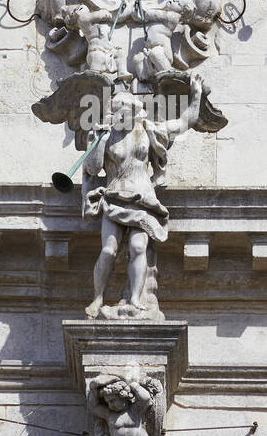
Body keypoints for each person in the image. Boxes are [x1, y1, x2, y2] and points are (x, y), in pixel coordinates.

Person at [83, 77, 202, 318]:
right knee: (108, 250)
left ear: (135, 113)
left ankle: (135, 300)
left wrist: (196, 95)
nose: (120, 117)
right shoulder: (105, 136)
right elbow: (92, 169)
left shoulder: (148, 130)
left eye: (125, 113)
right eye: (116, 112)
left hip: (142, 197)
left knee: (138, 247)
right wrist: (101, 140)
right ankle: (97, 298)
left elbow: (184, 122)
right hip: (114, 196)